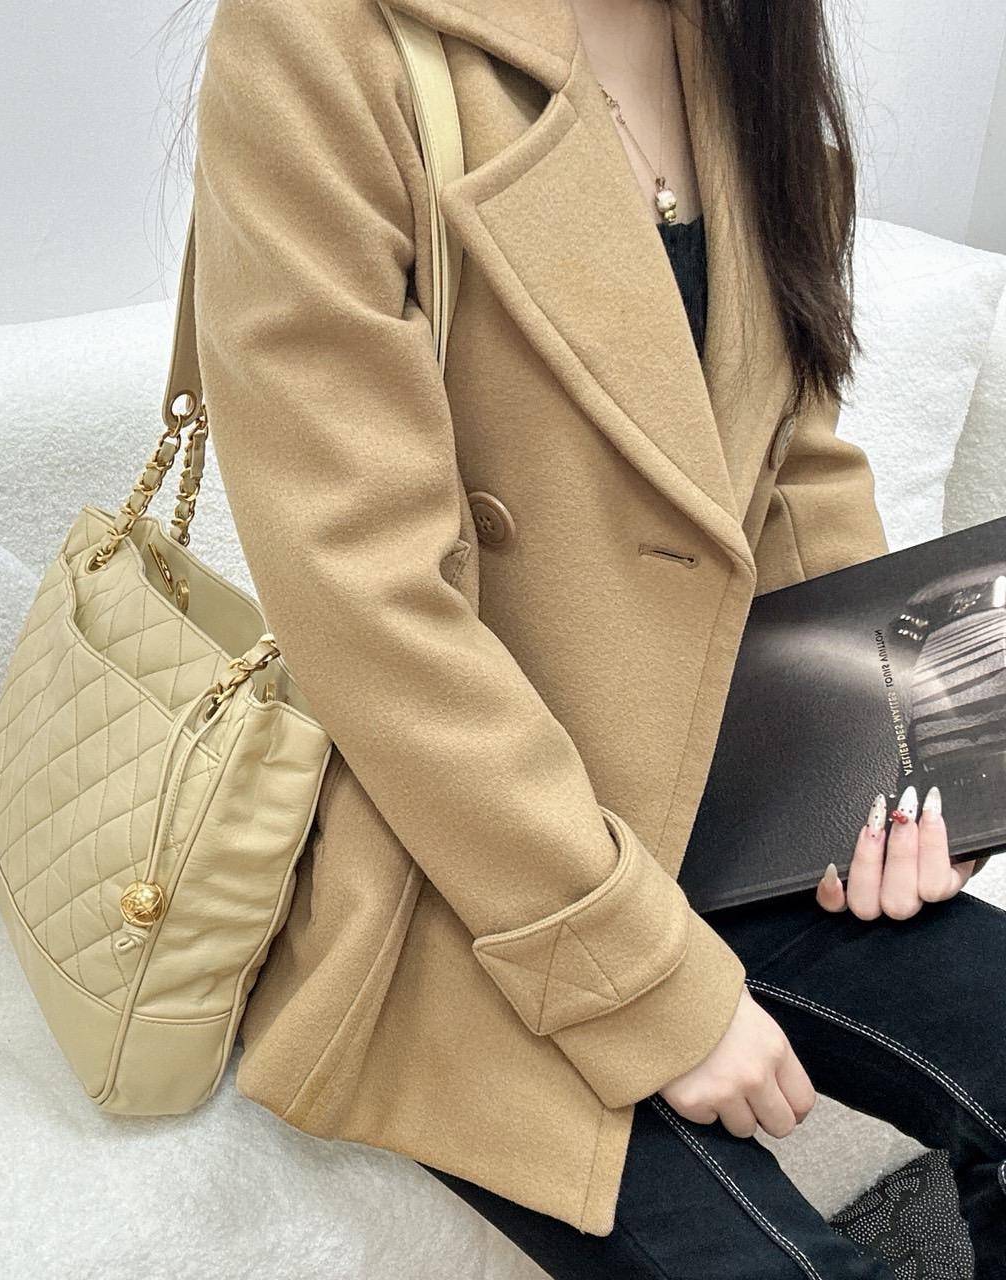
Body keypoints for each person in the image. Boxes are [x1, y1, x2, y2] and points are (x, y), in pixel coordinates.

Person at [178, 0, 1006, 1274]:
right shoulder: (319, 38)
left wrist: (880, 783)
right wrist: (645, 986)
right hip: (469, 862)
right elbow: (366, 601)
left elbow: (788, 462)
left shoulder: (737, 32)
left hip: (730, 804)